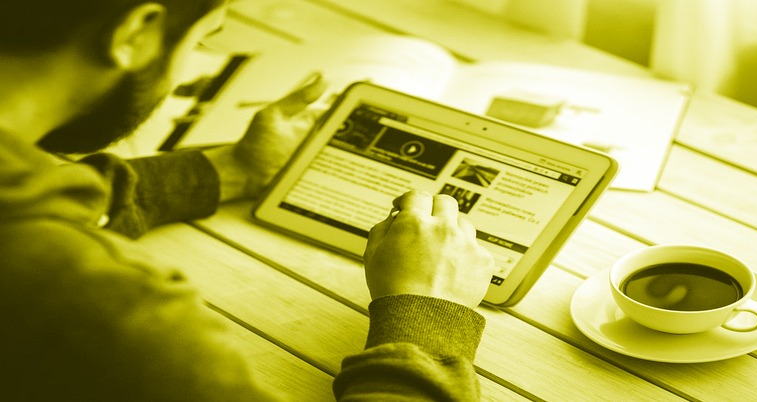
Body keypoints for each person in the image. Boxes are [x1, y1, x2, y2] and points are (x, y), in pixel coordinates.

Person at [0, 0, 495, 400]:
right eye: (202, 39)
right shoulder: (92, 300)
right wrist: (427, 314)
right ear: (137, 32)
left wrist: (228, 170)